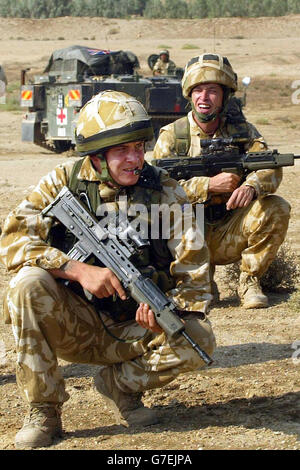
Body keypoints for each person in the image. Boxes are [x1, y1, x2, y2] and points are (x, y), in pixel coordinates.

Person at [0, 90, 215, 449]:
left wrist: (164, 311)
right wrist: (75, 269)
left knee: (198, 339)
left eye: (139, 147)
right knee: (27, 282)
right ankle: (44, 410)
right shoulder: (63, 182)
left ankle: (120, 385)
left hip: (132, 328)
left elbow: (196, 279)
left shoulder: (167, 192)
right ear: (97, 156)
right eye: (122, 151)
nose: (135, 159)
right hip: (73, 323)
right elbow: (12, 242)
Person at [153, 53, 291, 309]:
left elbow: (269, 166)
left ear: (225, 96)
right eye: (198, 90)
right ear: (189, 94)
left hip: (230, 228)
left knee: (276, 207)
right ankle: (201, 280)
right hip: (191, 234)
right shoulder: (173, 136)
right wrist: (208, 185)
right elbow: (158, 187)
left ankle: (249, 281)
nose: (204, 98)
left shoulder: (242, 132)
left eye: (212, 91)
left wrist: (251, 186)